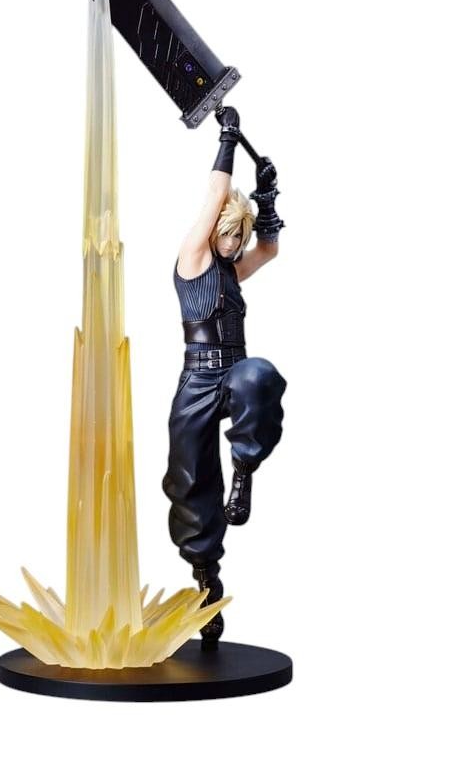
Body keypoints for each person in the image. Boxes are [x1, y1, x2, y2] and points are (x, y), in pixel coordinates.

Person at [163, 106, 287, 643]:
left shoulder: (234, 270)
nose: (234, 245)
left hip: (233, 373)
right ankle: (206, 581)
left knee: (258, 377)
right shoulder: (193, 258)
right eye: (228, 235)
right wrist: (228, 140)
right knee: (189, 480)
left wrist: (268, 197)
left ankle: (244, 473)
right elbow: (215, 195)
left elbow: (270, 249)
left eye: (240, 237)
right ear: (215, 231)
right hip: (196, 381)